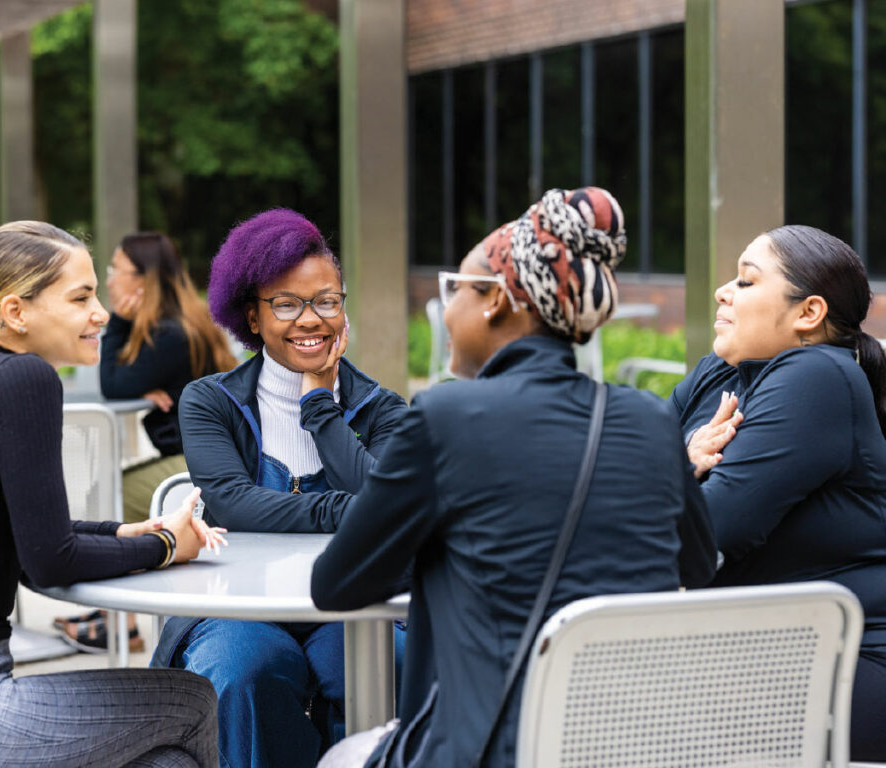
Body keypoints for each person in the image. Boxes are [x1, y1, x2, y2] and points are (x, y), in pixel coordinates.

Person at [310, 188, 717, 767]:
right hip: (628, 749)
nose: (445, 310)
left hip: (488, 749)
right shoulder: (652, 420)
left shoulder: (446, 420)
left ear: (497, 301)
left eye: (457, 289)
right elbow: (697, 567)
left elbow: (337, 585)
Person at [0, 221, 226, 768]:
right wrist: (167, 547)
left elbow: (31, 549)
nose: (102, 312)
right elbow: (50, 562)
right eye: (81, 297)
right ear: (16, 312)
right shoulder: (23, 378)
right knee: (192, 700)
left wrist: (127, 532)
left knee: (164, 760)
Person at [151, 208, 409, 768]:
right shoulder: (211, 401)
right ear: (252, 315)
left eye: (327, 301)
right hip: (240, 610)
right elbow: (232, 505)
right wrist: (351, 507)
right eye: (287, 304)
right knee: (239, 672)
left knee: (388, 664)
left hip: (354, 607)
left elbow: (387, 510)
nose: (311, 320)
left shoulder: (383, 409)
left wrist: (320, 404)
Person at [670, 224, 886, 762]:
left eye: (745, 282)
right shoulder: (717, 374)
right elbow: (620, 468)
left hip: (837, 672)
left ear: (808, 313)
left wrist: (671, 469)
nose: (723, 291)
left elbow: (708, 533)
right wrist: (681, 462)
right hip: (749, 659)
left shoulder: (819, 377)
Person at [55, 231, 237, 654]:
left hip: (194, 467)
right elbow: (123, 383)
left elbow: (113, 383)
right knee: (111, 491)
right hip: (201, 459)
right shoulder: (181, 325)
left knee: (107, 493)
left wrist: (117, 321)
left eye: (115, 270)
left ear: (142, 281)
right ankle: (115, 617)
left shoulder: (170, 335)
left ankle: (122, 624)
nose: (110, 279)